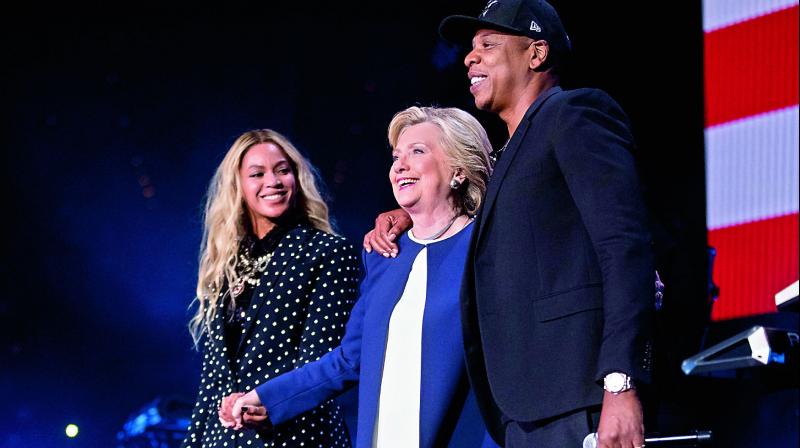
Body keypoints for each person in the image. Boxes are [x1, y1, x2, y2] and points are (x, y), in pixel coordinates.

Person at [364, 1, 655, 447]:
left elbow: (624, 247)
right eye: (470, 49)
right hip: (520, 412)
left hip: (580, 398)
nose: (469, 58)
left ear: (536, 55)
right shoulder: (509, 157)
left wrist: (621, 381)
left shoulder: (574, 115)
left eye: (488, 45)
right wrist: (411, 214)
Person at [219, 106, 498, 448]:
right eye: (397, 156)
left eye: (418, 151)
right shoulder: (384, 255)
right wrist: (267, 398)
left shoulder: (488, 248)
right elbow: (350, 359)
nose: (400, 165)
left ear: (458, 170)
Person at [181, 129, 361, 448]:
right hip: (222, 439)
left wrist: (263, 401)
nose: (273, 182)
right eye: (257, 173)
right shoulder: (224, 263)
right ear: (238, 185)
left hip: (296, 435)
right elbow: (212, 384)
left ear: (297, 177)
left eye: (282, 170)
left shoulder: (327, 253)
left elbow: (321, 364)